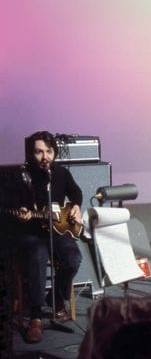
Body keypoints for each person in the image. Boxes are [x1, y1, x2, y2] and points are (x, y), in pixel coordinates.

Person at [11, 131, 83, 343]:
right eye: (39, 152)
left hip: (57, 230)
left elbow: (76, 194)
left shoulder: (60, 173)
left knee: (73, 259)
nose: (45, 157)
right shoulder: (22, 176)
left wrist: (77, 206)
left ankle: (56, 298)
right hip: (30, 232)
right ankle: (36, 316)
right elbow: (12, 204)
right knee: (38, 255)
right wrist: (22, 212)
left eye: (49, 152)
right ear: (31, 153)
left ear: (54, 152)